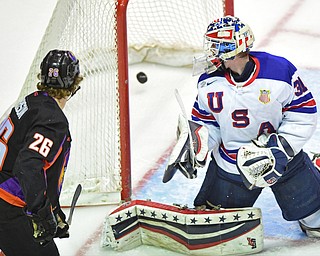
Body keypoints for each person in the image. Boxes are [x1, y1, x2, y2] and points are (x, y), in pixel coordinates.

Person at [164, 16, 320, 238]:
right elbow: (207, 122)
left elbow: (303, 113)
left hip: (282, 159)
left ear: (233, 48)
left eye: (215, 46)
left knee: (317, 224)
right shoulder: (208, 82)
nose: (211, 52)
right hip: (231, 164)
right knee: (214, 225)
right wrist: (198, 144)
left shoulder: (279, 71)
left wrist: (282, 147)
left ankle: (314, 171)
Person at [0, 49, 83, 255]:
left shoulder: (31, 102)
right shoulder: (53, 120)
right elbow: (28, 165)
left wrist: (52, 210)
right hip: (8, 207)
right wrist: (41, 213)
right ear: (75, 84)